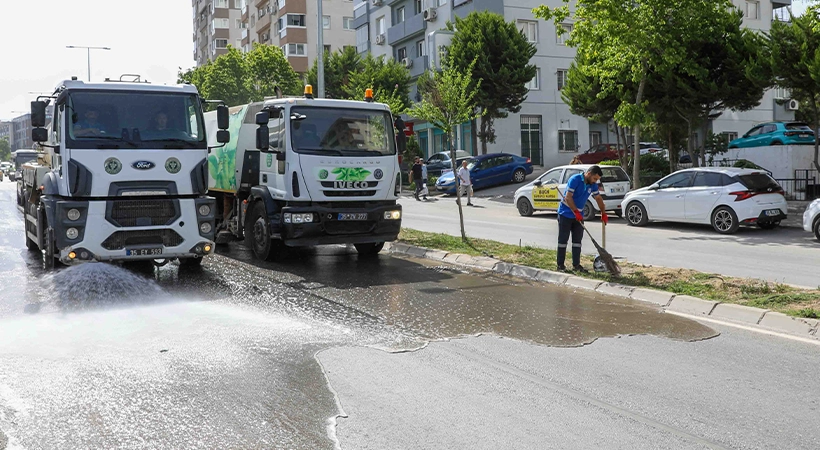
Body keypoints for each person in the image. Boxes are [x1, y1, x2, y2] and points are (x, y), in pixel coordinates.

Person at [556, 165, 608, 273]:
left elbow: (598, 198)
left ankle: (576, 265)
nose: (595, 181)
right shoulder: (575, 180)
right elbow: (568, 197)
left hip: (578, 215)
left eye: (597, 179)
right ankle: (560, 265)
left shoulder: (592, 185)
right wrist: (575, 211)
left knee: (577, 242)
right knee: (563, 241)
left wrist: (603, 212)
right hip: (565, 214)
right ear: (589, 174)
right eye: (595, 178)